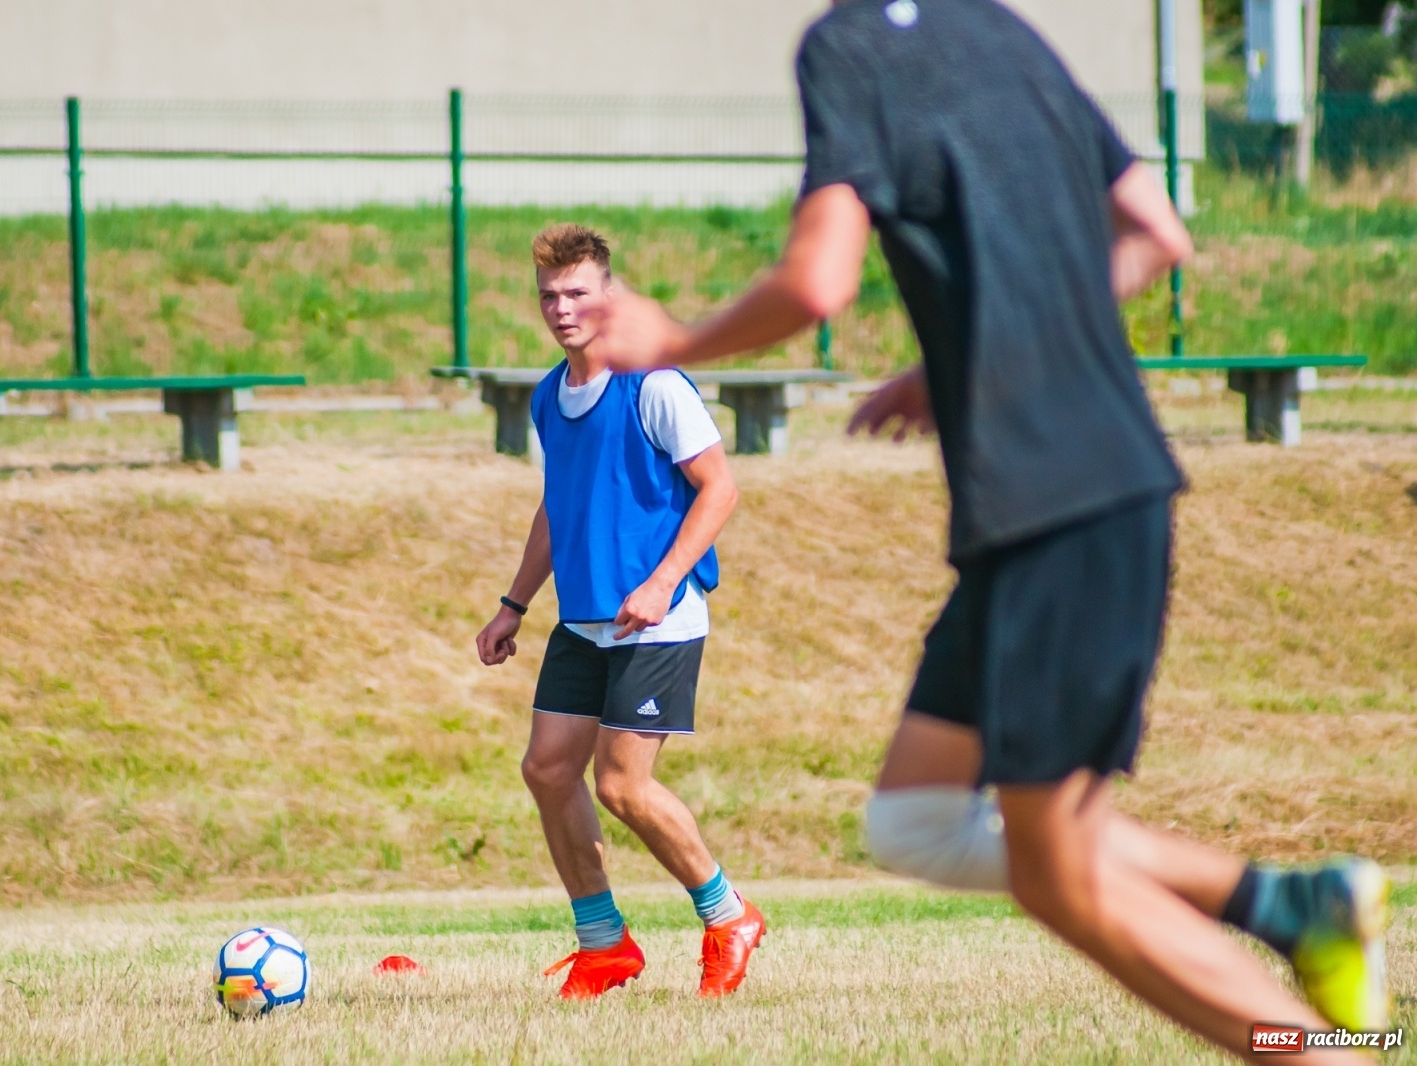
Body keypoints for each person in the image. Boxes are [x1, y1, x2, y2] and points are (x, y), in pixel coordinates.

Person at [586, 0, 1389, 1057]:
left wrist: (676, 337)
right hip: (1078, 499)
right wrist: (977, 352)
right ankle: (1292, 905)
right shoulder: (1007, 33)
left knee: (1056, 871)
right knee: (916, 818)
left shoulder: (849, 44)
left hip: (1058, 506)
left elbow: (817, 279)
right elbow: (1156, 232)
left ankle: (1316, 1054)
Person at [474, 223, 765, 1000]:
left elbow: (720, 489)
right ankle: (604, 945)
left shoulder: (655, 385)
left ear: (609, 297)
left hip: (657, 620)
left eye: (577, 293)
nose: (562, 309)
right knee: (546, 768)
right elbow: (556, 507)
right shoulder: (548, 395)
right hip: (584, 619)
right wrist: (514, 604)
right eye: (549, 297)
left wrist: (665, 580)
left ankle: (729, 915)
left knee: (624, 787)